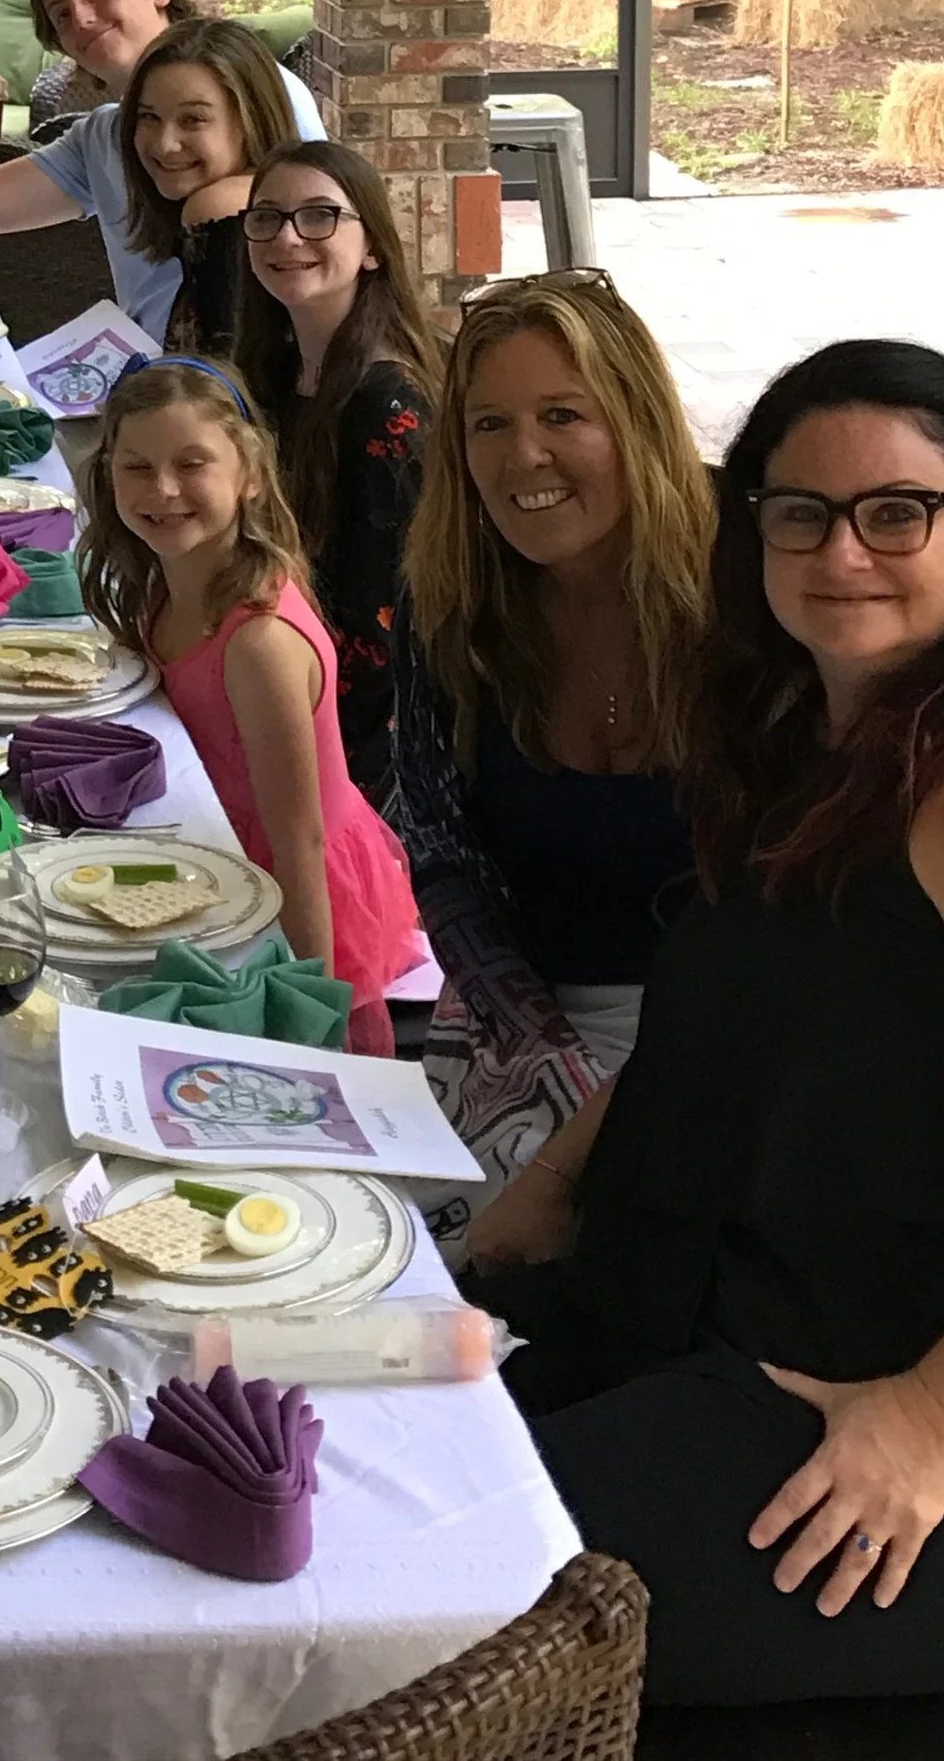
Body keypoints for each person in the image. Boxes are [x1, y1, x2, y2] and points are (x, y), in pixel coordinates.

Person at [468, 342, 944, 1707]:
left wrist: (934, 1421)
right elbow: (740, 1022)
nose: (842, 550)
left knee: (395, 1596)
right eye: (798, 510)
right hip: (741, 1333)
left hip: (918, 1462)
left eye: (898, 511)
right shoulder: (821, 737)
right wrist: (551, 1185)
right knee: (332, 1460)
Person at [390, 271, 713, 1255]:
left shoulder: (742, 598)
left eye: (561, 414)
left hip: (719, 1034)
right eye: (487, 424)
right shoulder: (449, 600)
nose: (522, 455)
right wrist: (542, 1050)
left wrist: (601, 1116)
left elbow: (793, 921)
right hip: (521, 1016)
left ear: (635, 421)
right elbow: (439, 855)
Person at [81, 358, 423, 1052]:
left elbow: (299, 841)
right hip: (224, 865)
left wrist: (309, 1005)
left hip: (294, 902)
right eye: (137, 467)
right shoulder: (167, 584)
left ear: (252, 473)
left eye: (192, 463)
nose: (164, 489)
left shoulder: (258, 642)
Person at [0, 0, 324, 337]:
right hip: (149, 373)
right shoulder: (103, 135)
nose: (81, 16)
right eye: (61, 14)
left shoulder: (252, 86)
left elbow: (318, 212)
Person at [232, 138, 444, 804]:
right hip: (278, 681)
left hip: (351, 749)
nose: (289, 235)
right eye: (266, 216)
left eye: (320, 216)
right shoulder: (275, 370)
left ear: (373, 245)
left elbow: (379, 630)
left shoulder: (386, 401)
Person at [117, 19, 313, 354]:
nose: (165, 144)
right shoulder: (284, 193)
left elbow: (218, 384)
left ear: (251, 119)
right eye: (149, 117)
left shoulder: (219, 207)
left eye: (193, 120)